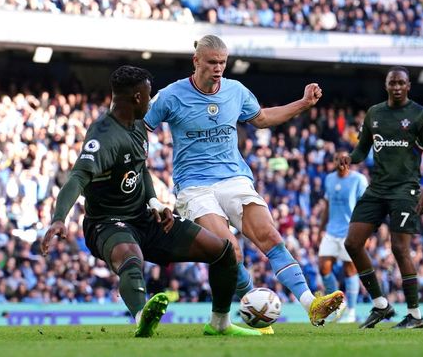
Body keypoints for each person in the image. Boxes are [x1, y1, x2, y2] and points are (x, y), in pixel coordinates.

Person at [41, 65, 261, 337]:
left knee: (223, 250)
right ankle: (142, 316)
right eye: (147, 95)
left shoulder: (136, 126)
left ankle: (220, 323)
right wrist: (59, 218)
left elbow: (140, 169)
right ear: (136, 97)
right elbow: (77, 177)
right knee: (131, 258)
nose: (150, 100)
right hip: (108, 223)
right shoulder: (104, 135)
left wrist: (155, 203)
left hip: (146, 218)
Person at [144, 34, 344, 328]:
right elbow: (140, 128)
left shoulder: (235, 91)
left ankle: (310, 303)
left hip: (234, 179)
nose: (218, 68)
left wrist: (302, 104)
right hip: (194, 186)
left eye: (222, 63)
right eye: (212, 62)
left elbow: (261, 118)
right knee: (229, 251)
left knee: (271, 238)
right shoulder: (171, 95)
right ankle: (254, 305)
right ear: (196, 60)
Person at [340, 66, 423, 329]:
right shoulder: (374, 113)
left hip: (404, 191)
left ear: (408, 86)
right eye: (392, 83)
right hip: (377, 189)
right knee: (352, 243)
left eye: (401, 83)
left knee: (399, 248)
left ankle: (415, 316)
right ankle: (381, 305)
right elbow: (362, 149)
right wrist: (349, 158)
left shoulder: (420, 114)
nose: (396, 87)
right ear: (386, 85)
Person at [318, 149, 368, 323]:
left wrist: (365, 232)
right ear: (333, 161)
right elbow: (327, 206)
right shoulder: (329, 179)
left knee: (349, 269)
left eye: (343, 159)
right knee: (323, 266)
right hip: (332, 231)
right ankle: (339, 305)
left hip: (351, 231)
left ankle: (352, 311)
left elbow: (365, 207)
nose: (340, 162)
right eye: (336, 159)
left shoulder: (359, 180)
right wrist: (320, 229)